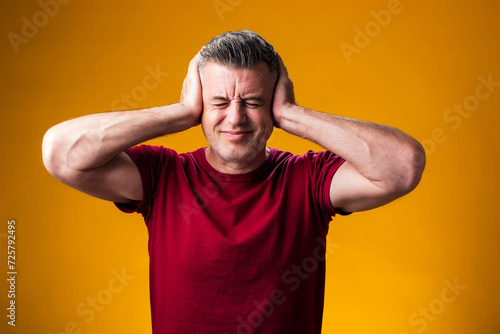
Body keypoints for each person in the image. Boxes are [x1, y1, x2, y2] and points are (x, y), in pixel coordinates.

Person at [42, 30, 425, 334]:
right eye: (220, 103)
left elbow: (403, 165)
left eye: (254, 103)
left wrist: (292, 115)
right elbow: (61, 154)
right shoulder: (162, 176)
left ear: (273, 103)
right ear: (200, 104)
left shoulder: (308, 180)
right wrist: (180, 113)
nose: (236, 118)